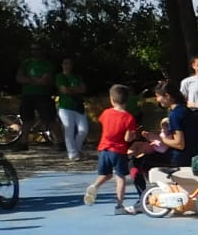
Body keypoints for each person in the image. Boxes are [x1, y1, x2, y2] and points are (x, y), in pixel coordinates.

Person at [82, 84, 141, 215]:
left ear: (112, 99)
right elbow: (127, 139)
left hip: (104, 149)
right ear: (127, 100)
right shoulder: (129, 118)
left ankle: (95, 186)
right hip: (118, 151)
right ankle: (119, 206)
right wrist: (133, 134)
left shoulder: (106, 113)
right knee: (120, 178)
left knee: (106, 174)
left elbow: (104, 125)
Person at [16, 46, 59, 147]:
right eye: (34, 49)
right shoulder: (26, 63)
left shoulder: (48, 64)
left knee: (50, 119)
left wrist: (30, 80)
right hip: (28, 95)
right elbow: (19, 78)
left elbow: (46, 80)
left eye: (38, 49)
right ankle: (23, 143)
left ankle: (61, 142)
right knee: (26, 120)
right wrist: (35, 80)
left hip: (44, 95)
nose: (36, 51)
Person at [55, 57, 89, 161]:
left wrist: (72, 90)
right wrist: (76, 90)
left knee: (84, 129)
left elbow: (84, 88)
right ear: (62, 65)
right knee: (68, 128)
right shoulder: (60, 76)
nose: (67, 66)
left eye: (69, 63)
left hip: (78, 106)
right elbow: (64, 90)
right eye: (65, 63)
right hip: (65, 106)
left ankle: (77, 149)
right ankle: (72, 153)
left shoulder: (77, 77)